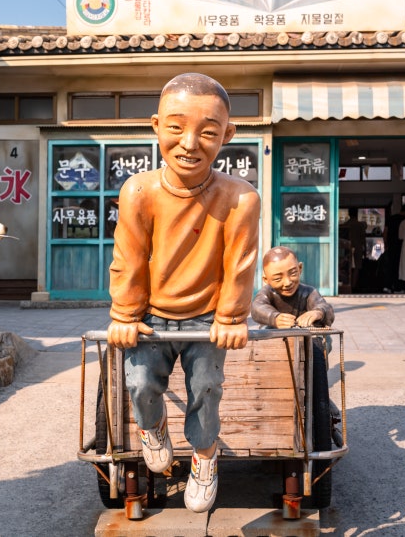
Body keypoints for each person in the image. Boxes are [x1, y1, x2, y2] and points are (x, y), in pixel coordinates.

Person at [106, 72, 260, 513]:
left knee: (207, 385)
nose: (189, 142)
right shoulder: (139, 191)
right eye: (176, 128)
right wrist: (124, 314)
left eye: (208, 132)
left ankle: (205, 456)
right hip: (151, 315)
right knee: (137, 382)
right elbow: (129, 257)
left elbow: (241, 263)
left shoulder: (240, 198)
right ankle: (152, 429)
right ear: (156, 126)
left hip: (207, 317)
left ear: (227, 135)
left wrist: (231, 317)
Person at [250, 246, 336, 453]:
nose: (287, 282)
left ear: (300, 268)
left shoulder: (309, 292)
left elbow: (326, 308)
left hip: (309, 347)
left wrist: (316, 313)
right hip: (278, 348)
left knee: (321, 349)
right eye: (277, 278)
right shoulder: (266, 294)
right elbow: (257, 308)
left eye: (292, 273)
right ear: (265, 279)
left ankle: (321, 396)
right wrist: (275, 318)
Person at [345, 207, 367, 292]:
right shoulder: (360, 225)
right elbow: (363, 238)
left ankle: (347, 285)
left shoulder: (346, 224)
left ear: (349, 214)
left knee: (347, 266)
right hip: (358, 247)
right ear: (357, 214)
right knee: (357, 267)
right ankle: (354, 286)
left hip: (347, 247)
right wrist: (365, 250)